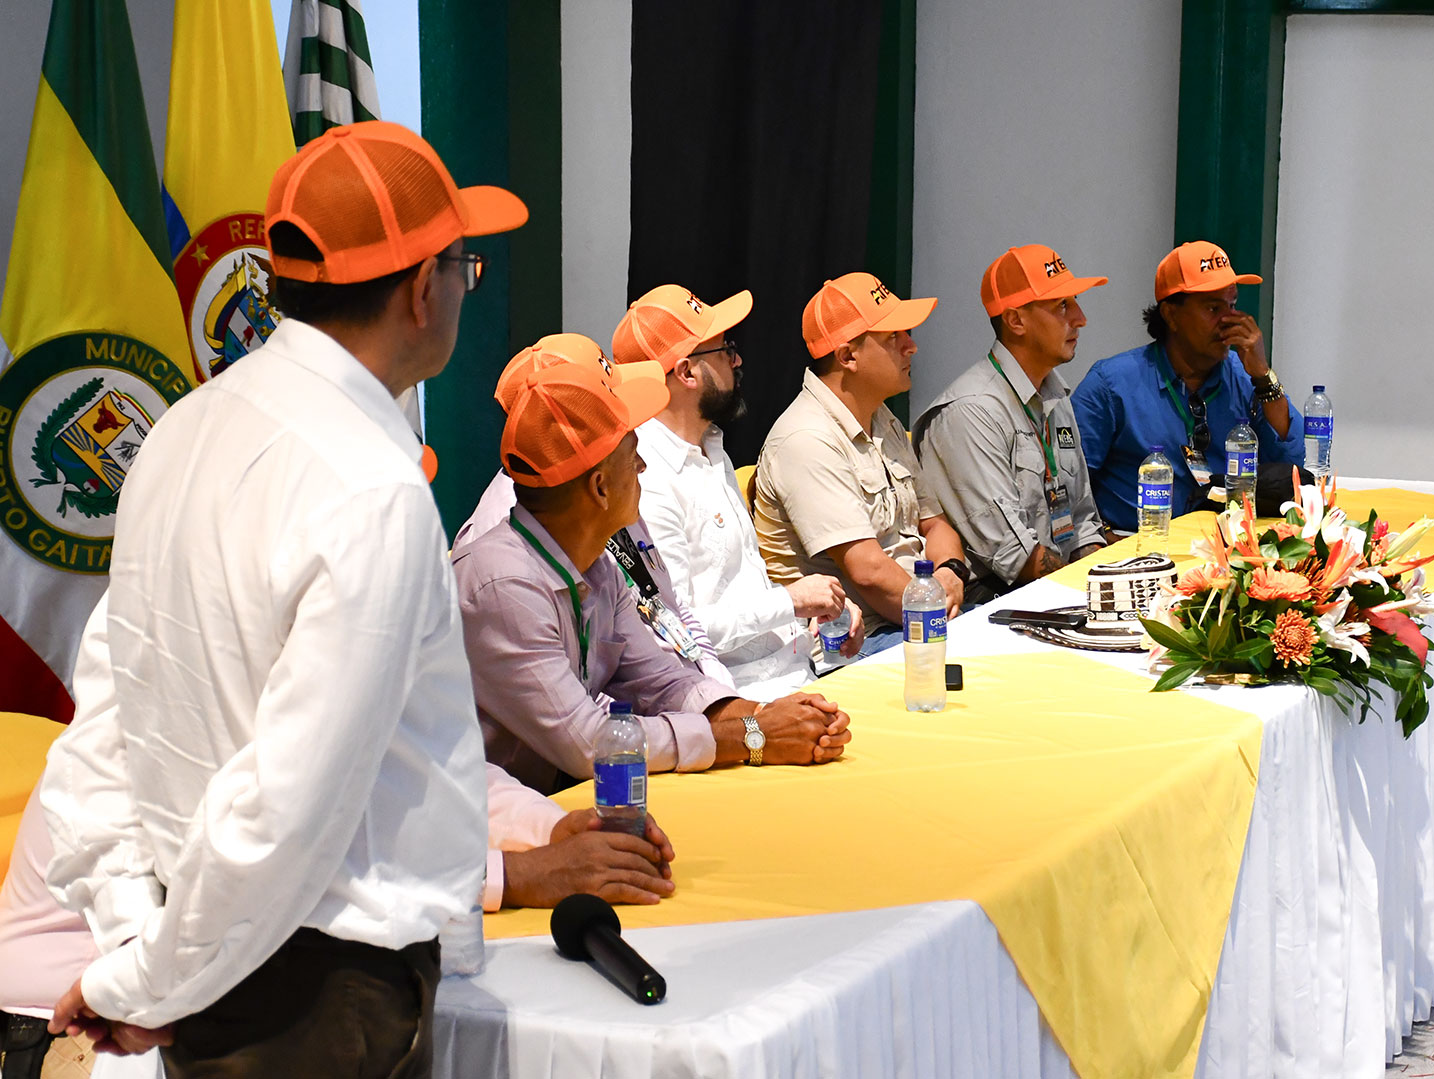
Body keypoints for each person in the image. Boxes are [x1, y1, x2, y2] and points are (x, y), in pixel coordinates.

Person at [38, 120, 522, 1075]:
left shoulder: (176, 434)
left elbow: (107, 725)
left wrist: (142, 950)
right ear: (424, 288)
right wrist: (151, 979)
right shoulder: (371, 486)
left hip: (210, 959)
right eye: (465, 263)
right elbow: (286, 810)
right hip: (316, 999)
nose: (466, 287)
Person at [4, 602, 674, 1077]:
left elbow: (419, 759)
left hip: (180, 995)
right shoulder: (204, 638)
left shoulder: (328, 622)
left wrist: (551, 825)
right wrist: (519, 875)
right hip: (73, 1028)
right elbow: (285, 848)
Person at [454, 357, 852, 795]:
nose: (644, 467)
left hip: (569, 794)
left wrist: (768, 717)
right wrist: (752, 737)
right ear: (600, 488)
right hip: (503, 814)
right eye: (633, 456)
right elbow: (588, 744)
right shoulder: (503, 583)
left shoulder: (596, 562)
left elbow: (662, 680)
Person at [615, 285, 866, 697]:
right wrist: (791, 601)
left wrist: (818, 612)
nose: (738, 360)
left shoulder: (711, 448)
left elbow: (740, 588)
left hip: (795, 670)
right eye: (726, 350)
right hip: (740, 699)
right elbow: (674, 630)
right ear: (687, 372)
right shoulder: (649, 479)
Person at [452, 333, 736, 687]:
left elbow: (668, 603)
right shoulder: (513, 539)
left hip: (679, 695)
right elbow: (577, 704)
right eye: (603, 398)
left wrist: (719, 689)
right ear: (563, 417)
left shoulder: (608, 498)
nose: (625, 418)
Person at [754, 273, 968, 652]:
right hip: (853, 640)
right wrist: (935, 607)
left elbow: (935, 524)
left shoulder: (880, 417)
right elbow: (868, 572)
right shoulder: (806, 438)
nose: (911, 346)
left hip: (913, 615)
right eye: (893, 337)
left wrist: (951, 572)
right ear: (847, 356)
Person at [914, 244, 1110, 594]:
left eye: (1075, 301)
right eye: (1062, 305)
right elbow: (1015, 558)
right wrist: (1095, 591)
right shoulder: (971, 411)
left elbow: (1082, 522)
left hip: (1060, 589)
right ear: (1016, 320)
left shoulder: (1055, 394)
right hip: (995, 600)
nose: (1081, 318)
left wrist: (1110, 585)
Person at [1071, 241, 1305, 532]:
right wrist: (1103, 537)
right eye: (1213, 308)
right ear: (1171, 315)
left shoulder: (1244, 376)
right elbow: (1071, 486)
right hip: (1137, 542)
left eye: (1232, 305)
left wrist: (1262, 375)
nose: (1229, 320)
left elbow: (1293, 467)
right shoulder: (1111, 384)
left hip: (1223, 541)